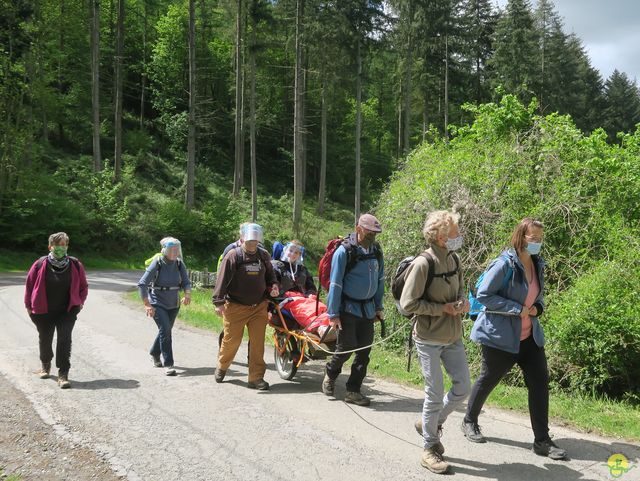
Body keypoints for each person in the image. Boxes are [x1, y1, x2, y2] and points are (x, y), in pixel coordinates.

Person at [462, 218, 567, 460]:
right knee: (489, 379)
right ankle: (469, 420)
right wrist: (514, 308)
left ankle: (542, 440)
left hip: (529, 336)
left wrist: (537, 309)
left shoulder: (537, 264)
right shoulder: (503, 264)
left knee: (540, 383)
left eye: (541, 239)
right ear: (521, 238)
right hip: (500, 337)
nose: (538, 243)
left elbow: (538, 298)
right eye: (534, 239)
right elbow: (485, 294)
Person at [399, 210, 471, 474]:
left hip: (453, 336)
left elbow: (460, 290)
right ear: (441, 237)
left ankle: (430, 422)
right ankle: (430, 447)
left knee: (464, 387)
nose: (459, 236)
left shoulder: (454, 258)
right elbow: (408, 304)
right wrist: (443, 309)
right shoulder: (422, 264)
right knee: (434, 392)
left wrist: (463, 303)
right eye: (455, 233)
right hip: (429, 338)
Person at [322, 213, 384, 406]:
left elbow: (380, 280)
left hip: (367, 310)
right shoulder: (344, 252)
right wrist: (333, 314)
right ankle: (330, 374)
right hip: (347, 308)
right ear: (359, 229)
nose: (373, 235)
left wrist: (378, 307)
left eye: (376, 232)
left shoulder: (376, 251)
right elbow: (335, 284)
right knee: (346, 347)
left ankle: (353, 391)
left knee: (364, 352)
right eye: (370, 231)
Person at [213, 223, 279, 390]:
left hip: (259, 307)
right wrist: (219, 303)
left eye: (255, 242)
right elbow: (221, 280)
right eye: (249, 241)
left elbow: (271, 276)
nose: (252, 245)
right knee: (231, 342)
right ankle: (222, 366)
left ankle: (256, 378)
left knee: (258, 344)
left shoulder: (263, 255)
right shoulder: (233, 256)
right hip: (235, 306)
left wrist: (274, 286)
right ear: (242, 238)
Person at [24, 232, 88, 389]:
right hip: (43, 310)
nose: (61, 247)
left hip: (67, 311)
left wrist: (79, 302)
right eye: (58, 244)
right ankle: (45, 364)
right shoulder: (39, 264)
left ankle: (63, 374)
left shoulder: (75, 264)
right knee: (45, 338)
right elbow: (29, 285)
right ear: (50, 246)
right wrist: (28, 306)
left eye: (64, 244)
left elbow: (83, 286)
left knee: (64, 339)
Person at [138, 237, 192, 376]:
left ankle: (154, 353)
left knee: (165, 330)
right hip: (157, 302)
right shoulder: (158, 263)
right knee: (166, 330)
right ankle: (168, 364)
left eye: (176, 250)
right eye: (171, 250)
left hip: (174, 303)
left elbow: (186, 282)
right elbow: (143, 283)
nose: (174, 252)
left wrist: (187, 294)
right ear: (164, 250)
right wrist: (147, 304)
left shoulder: (179, 263)